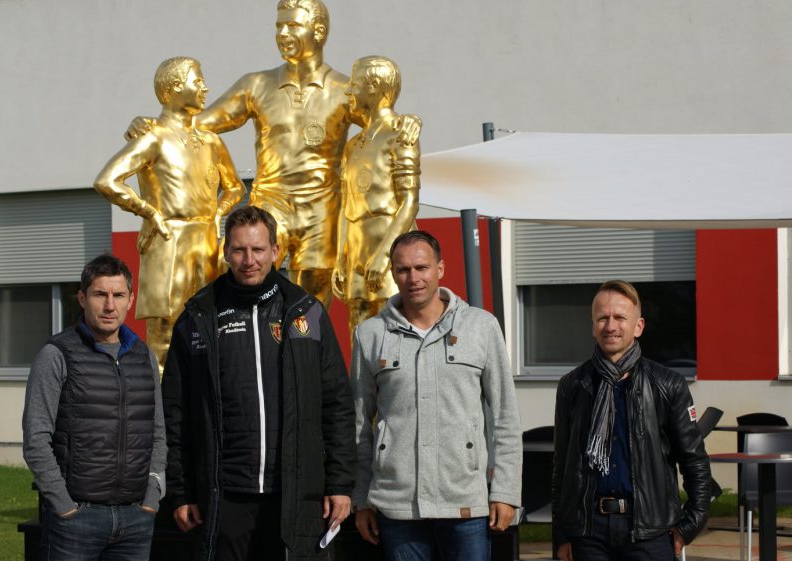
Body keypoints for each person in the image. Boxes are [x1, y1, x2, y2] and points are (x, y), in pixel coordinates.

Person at [127, 0, 419, 309]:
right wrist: (155, 125)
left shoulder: (343, 90)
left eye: (293, 25)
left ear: (319, 32)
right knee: (242, 275)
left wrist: (406, 122)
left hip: (321, 210)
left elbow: (379, 125)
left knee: (311, 306)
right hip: (271, 203)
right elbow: (199, 124)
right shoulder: (256, 85)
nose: (282, 33)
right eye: (279, 26)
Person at [161, 205, 355, 561]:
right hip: (225, 495)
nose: (249, 260)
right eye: (239, 250)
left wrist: (340, 484)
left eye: (258, 249)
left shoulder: (307, 312)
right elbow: (175, 413)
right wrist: (181, 491)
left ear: (276, 251)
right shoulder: (197, 318)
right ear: (225, 252)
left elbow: (337, 405)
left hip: (294, 493)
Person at [349, 230, 523, 561]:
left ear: (440, 268)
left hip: (465, 501)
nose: (413, 278)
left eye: (422, 267)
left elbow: (505, 417)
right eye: (403, 270)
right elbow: (358, 426)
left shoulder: (480, 327)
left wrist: (505, 491)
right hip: (397, 504)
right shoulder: (370, 335)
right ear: (392, 273)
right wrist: (361, 498)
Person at [95, 57, 244, 372]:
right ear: (175, 87)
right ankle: (160, 404)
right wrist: (148, 212)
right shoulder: (153, 137)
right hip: (168, 242)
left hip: (206, 246)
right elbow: (107, 181)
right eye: (197, 80)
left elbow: (235, 188)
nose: (205, 87)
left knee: (213, 330)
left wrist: (217, 215)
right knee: (165, 336)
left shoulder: (212, 142)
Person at [552, 280, 712, 561]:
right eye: (602, 318)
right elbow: (562, 467)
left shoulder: (667, 385)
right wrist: (562, 535)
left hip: (649, 534)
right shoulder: (573, 386)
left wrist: (689, 526)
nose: (610, 326)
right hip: (588, 536)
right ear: (593, 326)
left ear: (638, 326)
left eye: (620, 317)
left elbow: (694, 461)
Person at [22, 254, 166, 561]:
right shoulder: (56, 354)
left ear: (131, 300)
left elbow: (157, 433)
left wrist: (152, 497)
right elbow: (35, 438)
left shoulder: (144, 356)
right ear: (82, 298)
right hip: (76, 520)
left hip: (135, 519)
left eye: (119, 295)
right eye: (100, 294)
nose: (110, 305)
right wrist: (63, 505)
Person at [333, 55, 420, 337]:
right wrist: (341, 258)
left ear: (373, 87)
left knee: (393, 329)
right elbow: (345, 206)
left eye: (354, 84)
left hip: (388, 243)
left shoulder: (400, 134)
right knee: (357, 331)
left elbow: (409, 202)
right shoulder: (352, 146)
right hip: (357, 247)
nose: (349, 91)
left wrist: (385, 257)